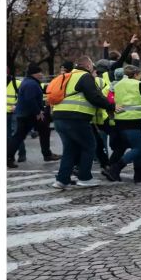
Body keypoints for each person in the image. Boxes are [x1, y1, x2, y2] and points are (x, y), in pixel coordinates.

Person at [51, 56, 115, 189]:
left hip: (58, 116)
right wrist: (111, 106)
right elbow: (94, 96)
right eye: (92, 65)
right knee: (89, 145)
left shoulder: (67, 76)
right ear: (88, 66)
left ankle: (62, 180)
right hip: (76, 117)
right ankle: (85, 178)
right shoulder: (85, 76)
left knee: (70, 149)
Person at [104, 65, 141, 183]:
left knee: (137, 147)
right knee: (138, 148)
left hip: (120, 120)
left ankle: (139, 174)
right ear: (135, 74)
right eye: (140, 75)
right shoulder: (137, 84)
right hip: (132, 121)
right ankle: (115, 169)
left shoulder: (118, 84)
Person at [7, 63, 60, 167]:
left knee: (39, 131)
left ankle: (47, 154)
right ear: (34, 74)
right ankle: (46, 154)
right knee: (21, 135)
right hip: (29, 115)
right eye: (39, 72)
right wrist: (38, 112)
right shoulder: (31, 84)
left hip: (25, 114)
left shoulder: (30, 82)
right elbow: (30, 100)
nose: (41, 74)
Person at [7, 69, 26, 165]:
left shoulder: (17, 83)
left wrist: (17, 106)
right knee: (7, 136)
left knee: (16, 134)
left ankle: (22, 154)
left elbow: (24, 96)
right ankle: (10, 157)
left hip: (15, 112)